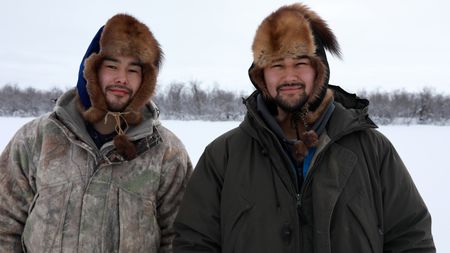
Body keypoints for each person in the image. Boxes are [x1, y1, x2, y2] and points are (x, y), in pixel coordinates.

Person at [173, 3, 435, 253]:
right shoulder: (223, 157)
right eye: (277, 65)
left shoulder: (373, 151)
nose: (289, 76)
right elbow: (194, 242)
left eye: (300, 63)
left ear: (319, 70)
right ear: (261, 75)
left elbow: (410, 237)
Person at [0, 14, 192, 252]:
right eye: (112, 66)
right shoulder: (36, 139)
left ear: (146, 81)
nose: (122, 78)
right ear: (90, 70)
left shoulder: (167, 153)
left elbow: (178, 238)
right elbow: (4, 223)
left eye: (133, 70)